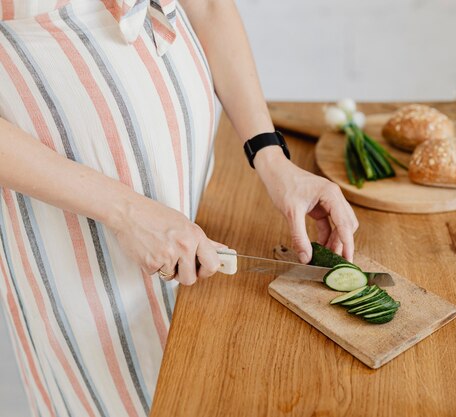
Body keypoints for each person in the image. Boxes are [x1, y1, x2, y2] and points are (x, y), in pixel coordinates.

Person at [0, 0, 358, 416]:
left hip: (193, 193)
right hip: (77, 231)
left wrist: (270, 155)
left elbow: (207, 7)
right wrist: (125, 212)